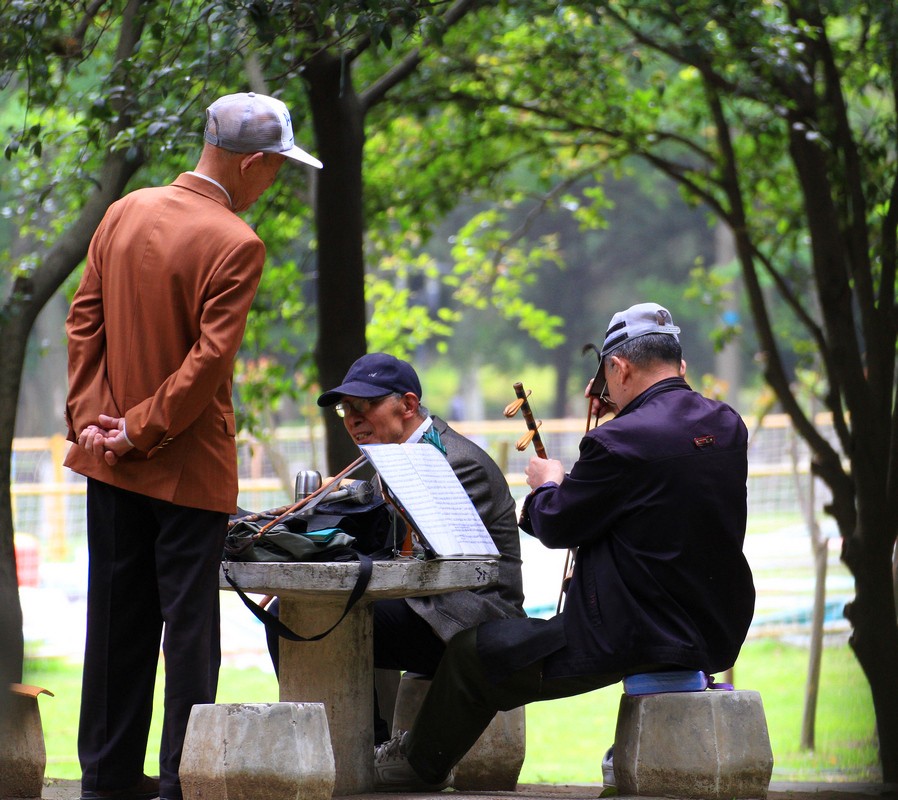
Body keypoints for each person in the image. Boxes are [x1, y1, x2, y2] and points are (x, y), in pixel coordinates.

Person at [372, 302, 756, 792]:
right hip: (716, 628)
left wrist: (548, 484)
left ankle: (416, 767)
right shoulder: (727, 425)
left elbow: (554, 525)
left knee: (473, 652)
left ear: (618, 367)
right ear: (678, 363)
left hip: (631, 634)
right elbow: (655, 506)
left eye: (607, 377)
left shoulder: (621, 439)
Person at [64, 92, 322, 800]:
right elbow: (208, 364)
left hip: (108, 462)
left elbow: (83, 321)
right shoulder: (236, 242)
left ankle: (106, 782)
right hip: (184, 467)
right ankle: (183, 783)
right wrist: (141, 427)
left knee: (115, 623)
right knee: (188, 633)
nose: (273, 184)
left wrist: (94, 418)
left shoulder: (124, 211)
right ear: (257, 162)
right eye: (276, 171)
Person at [266, 353, 526, 743]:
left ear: (407, 404)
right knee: (292, 610)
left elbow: (427, 558)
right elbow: (370, 534)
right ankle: (354, 745)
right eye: (346, 409)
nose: (353, 419)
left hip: (470, 616)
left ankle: (361, 747)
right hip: (424, 608)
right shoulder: (393, 456)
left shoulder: (455, 461)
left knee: (303, 617)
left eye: (366, 405)